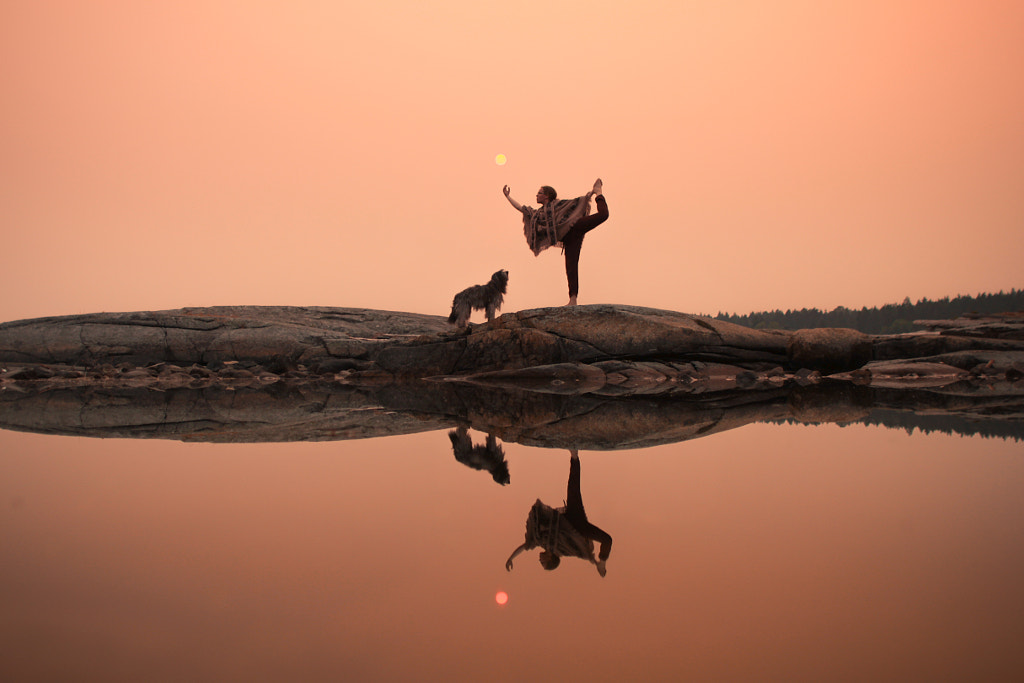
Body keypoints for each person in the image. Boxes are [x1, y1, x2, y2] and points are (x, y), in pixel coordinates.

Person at [505, 450, 613, 576]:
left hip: (568, 518)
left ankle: (574, 456)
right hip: (578, 525)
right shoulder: (564, 551)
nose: (540, 560)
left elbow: (524, 547)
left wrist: (511, 558)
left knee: (572, 487)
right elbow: (584, 553)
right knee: (607, 539)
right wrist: (598, 562)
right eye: (543, 563)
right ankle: (574, 456)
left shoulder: (541, 540)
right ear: (550, 559)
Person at [503, 179, 609, 306]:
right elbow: (521, 208)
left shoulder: (559, 205)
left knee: (603, 215)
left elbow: (577, 202)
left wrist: (591, 193)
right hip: (568, 239)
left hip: (575, 226)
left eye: (539, 193)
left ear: (546, 195)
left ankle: (599, 193)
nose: (536, 195)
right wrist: (508, 196)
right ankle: (573, 299)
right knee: (571, 267)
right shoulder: (538, 214)